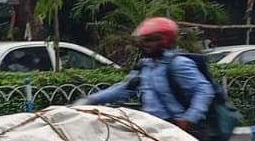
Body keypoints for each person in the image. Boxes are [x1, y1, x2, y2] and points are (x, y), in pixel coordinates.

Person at [81, 16, 214, 133]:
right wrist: (91, 99)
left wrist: (189, 119)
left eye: (151, 40)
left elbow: (203, 90)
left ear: (166, 40)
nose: (146, 44)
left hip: (174, 128)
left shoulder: (178, 64)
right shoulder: (145, 66)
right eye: (144, 40)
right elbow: (123, 88)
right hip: (151, 126)